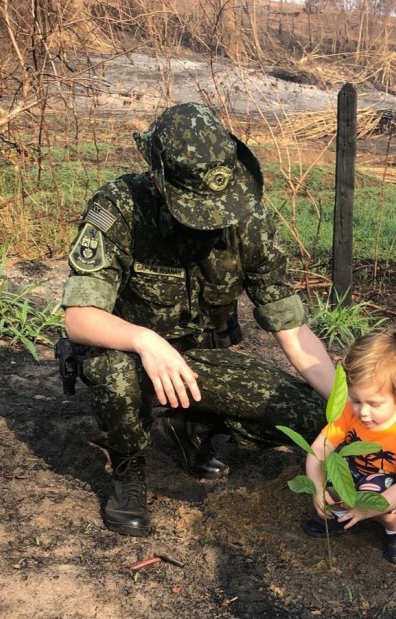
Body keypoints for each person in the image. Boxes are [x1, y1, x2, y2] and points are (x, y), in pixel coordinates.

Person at [61, 102, 335, 538]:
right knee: (114, 371)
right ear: (159, 178)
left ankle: (188, 425)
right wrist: (146, 341)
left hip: (201, 360)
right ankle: (128, 470)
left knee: (313, 416)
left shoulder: (249, 218)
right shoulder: (118, 208)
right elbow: (79, 316)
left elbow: (291, 327)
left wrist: (348, 405)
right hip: (129, 356)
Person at [302, 331, 396, 565]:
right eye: (357, 400)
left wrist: (366, 510)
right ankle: (340, 515)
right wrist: (317, 488)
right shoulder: (349, 411)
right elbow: (319, 449)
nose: (363, 412)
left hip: (395, 484)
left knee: (380, 502)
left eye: (374, 403)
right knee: (331, 485)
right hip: (357, 471)